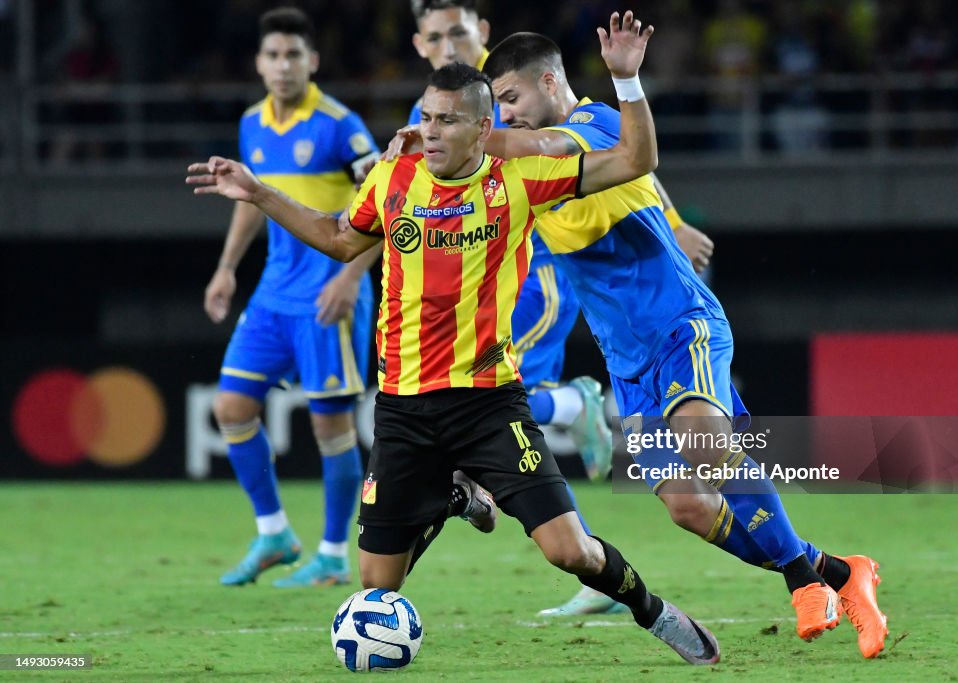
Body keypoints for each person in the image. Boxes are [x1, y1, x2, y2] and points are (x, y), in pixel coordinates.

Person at [189, 11, 723, 666]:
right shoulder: (392, 180)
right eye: (427, 117)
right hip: (404, 408)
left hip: (488, 404)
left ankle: (656, 612)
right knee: (375, 584)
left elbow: (637, 158)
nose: (428, 131)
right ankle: (449, 492)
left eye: (446, 120)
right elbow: (336, 236)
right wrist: (258, 192)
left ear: (484, 127)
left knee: (569, 551)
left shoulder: (521, 181)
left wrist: (627, 83)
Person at [465, 31, 887, 658]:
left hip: (680, 324)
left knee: (705, 446)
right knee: (689, 507)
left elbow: (573, 145)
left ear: (549, 82)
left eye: (511, 96)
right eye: (497, 104)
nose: (508, 112)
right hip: (628, 359)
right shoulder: (520, 168)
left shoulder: (594, 121)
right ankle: (838, 572)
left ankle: (802, 582)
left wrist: (459, 134)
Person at [409, 0, 619, 618]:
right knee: (498, 419)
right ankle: (573, 554)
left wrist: (674, 220)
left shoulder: (507, 101)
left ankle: (574, 408)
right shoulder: (439, 113)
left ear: (483, 34)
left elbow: (608, 158)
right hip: (473, 293)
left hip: (530, 279)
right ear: (420, 45)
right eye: (435, 35)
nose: (448, 43)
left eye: (459, 31)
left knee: (487, 410)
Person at [203, 7, 380, 588]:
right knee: (230, 407)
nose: (283, 65)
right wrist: (227, 268)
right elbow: (248, 200)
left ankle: (331, 553)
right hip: (274, 293)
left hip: (329, 294)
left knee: (331, 428)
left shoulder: (340, 124)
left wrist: (351, 276)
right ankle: (274, 532)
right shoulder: (253, 123)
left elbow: (389, 201)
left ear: (313, 61)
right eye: (273, 55)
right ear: (258, 63)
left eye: (293, 55)